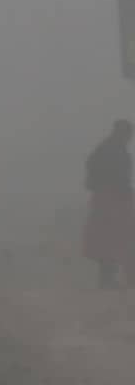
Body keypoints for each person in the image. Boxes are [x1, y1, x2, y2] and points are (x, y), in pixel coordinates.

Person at [83, 119, 134, 289]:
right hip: (112, 200)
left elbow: (92, 171)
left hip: (108, 199)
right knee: (112, 238)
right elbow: (118, 178)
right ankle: (108, 279)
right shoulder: (114, 150)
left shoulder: (106, 148)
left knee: (108, 239)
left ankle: (107, 278)